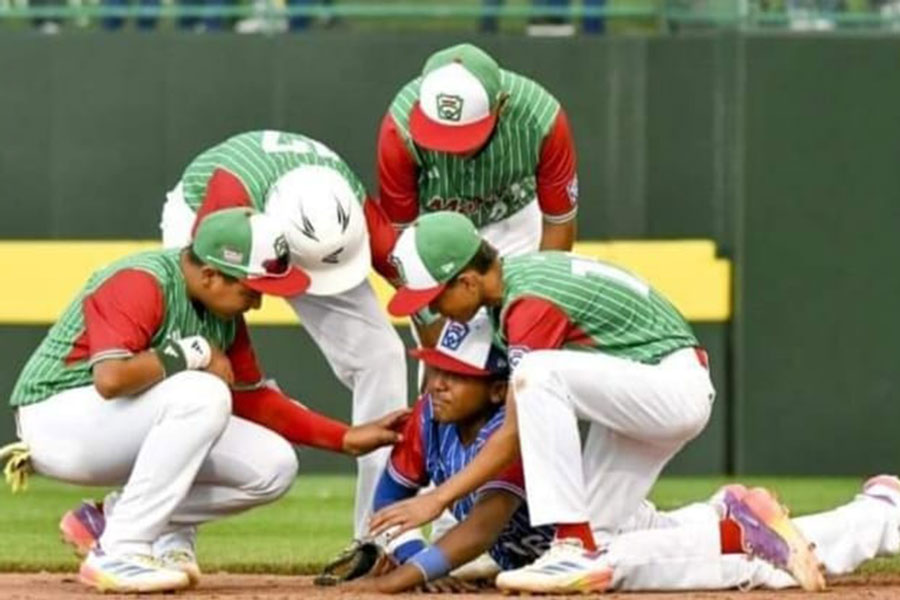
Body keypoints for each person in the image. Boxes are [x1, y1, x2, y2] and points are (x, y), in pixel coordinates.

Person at [7, 208, 406, 594]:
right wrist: (194, 351)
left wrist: (345, 437)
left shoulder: (223, 312)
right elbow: (111, 379)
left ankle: (110, 520)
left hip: (120, 425)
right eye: (252, 289)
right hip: (59, 423)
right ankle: (120, 551)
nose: (258, 302)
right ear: (211, 275)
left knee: (273, 466)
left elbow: (253, 400)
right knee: (203, 392)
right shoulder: (140, 280)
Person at [351, 315, 896, 594]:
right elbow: (392, 494)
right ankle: (724, 516)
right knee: (686, 538)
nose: (438, 383)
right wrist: (404, 549)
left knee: (755, 566)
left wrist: (400, 581)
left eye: (457, 376)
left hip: (595, 534)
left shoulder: (509, 430)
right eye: (435, 368)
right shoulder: (428, 414)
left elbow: (478, 530)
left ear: (497, 388)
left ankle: (879, 516)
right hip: (592, 522)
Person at [370, 211, 724, 593]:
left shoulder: (528, 302)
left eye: (436, 299)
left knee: (536, 375)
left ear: (468, 282)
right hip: (642, 387)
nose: (434, 311)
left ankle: (570, 540)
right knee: (604, 544)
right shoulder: (516, 281)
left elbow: (515, 429)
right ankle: (737, 534)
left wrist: (438, 499)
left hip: (669, 385)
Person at [159, 130, 406, 538]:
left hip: (310, 231)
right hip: (217, 226)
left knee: (383, 355)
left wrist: (445, 360)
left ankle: (381, 535)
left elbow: (424, 291)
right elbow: (208, 307)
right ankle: (167, 536)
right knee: (201, 377)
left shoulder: (350, 212)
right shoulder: (226, 204)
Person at [376, 43, 579, 346]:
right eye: (439, 133)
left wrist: (537, 303)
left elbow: (558, 223)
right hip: (434, 236)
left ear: (501, 105)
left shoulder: (543, 119)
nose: (451, 149)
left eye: (464, 137)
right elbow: (400, 238)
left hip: (513, 221)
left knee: (523, 342)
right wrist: (432, 329)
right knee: (451, 364)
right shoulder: (399, 131)